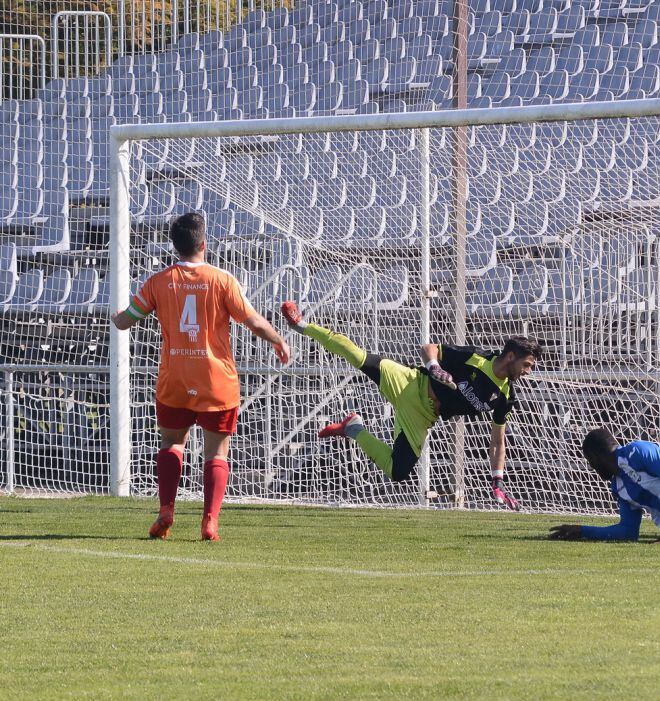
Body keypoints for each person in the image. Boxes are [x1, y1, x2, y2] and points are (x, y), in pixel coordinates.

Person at [112, 212, 291, 541]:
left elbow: (125, 322)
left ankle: (166, 508)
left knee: (171, 443)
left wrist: (117, 317)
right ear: (203, 245)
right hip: (217, 381)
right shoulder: (222, 280)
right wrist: (278, 339)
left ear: (175, 246)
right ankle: (210, 521)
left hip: (174, 380)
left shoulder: (158, 281)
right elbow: (252, 321)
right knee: (216, 453)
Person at [280, 300, 540, 510]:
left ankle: (353, 429)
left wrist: (497, 480)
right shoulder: (476, 357)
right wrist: (435, 368)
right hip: (409, 382)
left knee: (398, 471)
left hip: (422, 415)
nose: (528, 372)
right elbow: (429, 348)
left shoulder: (506, 397)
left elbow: (498, 441)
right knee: (357, 355)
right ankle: (302, 325)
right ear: (510, 356)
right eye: (527, 365)